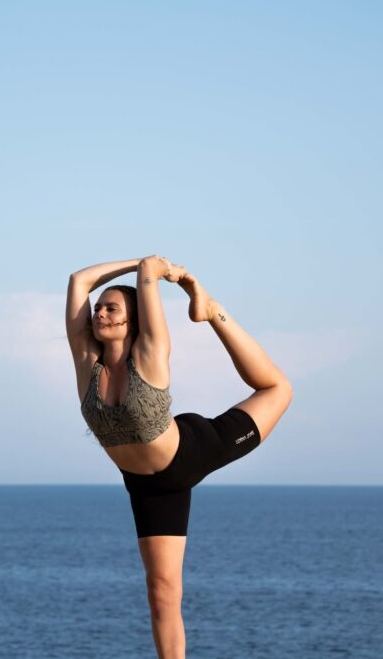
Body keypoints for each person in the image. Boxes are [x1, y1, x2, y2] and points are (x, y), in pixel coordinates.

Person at [65, 255, 294, 659]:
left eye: (110, 308)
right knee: (162, 593)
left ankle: (213, 311)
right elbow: (78, 279)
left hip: (190, 451)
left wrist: (158, 271)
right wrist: (138, 263)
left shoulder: (151, 351)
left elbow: (150, 271)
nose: (99, 312)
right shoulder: (87, 360)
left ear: (132, 321)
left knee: (277, 389)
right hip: (146, 486)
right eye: (98, 308)